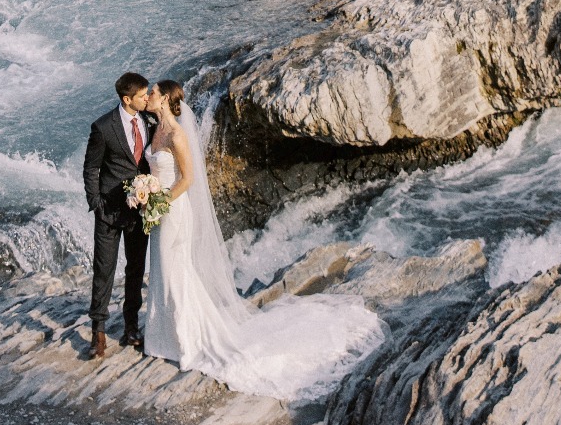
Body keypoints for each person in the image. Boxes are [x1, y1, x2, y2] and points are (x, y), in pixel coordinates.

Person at [141, 79, 385, 402]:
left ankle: (186, 340)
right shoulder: (155, 129)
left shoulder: (177, 135)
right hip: (159, 211)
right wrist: (145, 194)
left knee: (177, 268)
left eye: (153, 92)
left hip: (173, 209)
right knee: (163, 269)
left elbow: (188, 179)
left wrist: (161, 200)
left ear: (164, 99)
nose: (149, 95)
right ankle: (163, 336)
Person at [81, 70, 155, 360]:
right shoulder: (103, 127)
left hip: (140, 212)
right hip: (109, 212)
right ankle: (98, 332)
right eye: (142, 95)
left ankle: (131, 327)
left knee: (135, 270)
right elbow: (91, 168)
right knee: (104, 270)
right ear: (127, 99)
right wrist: (96, 203)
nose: (147, 99)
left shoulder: (149, 121)